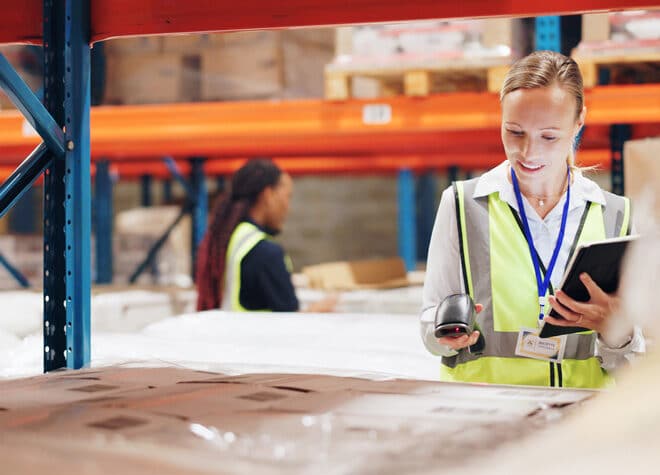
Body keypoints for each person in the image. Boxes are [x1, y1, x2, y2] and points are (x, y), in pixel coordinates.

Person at [420, 51, 644, 389]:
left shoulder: (614, 215)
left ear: (578, 123)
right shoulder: (462, 205)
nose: (528, 152)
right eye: (515, 132)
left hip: (581, 423)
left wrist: (617, 332)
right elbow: (430, 323)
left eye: (549, 136)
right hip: (488, 420)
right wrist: (446, 336)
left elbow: (635, 362)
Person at [196, 159, 335, 313]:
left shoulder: (231, 238)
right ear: (268, 195)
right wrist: (320, 309)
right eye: (287, 197)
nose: (288, 207)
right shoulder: (266, 253)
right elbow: (293, 323)